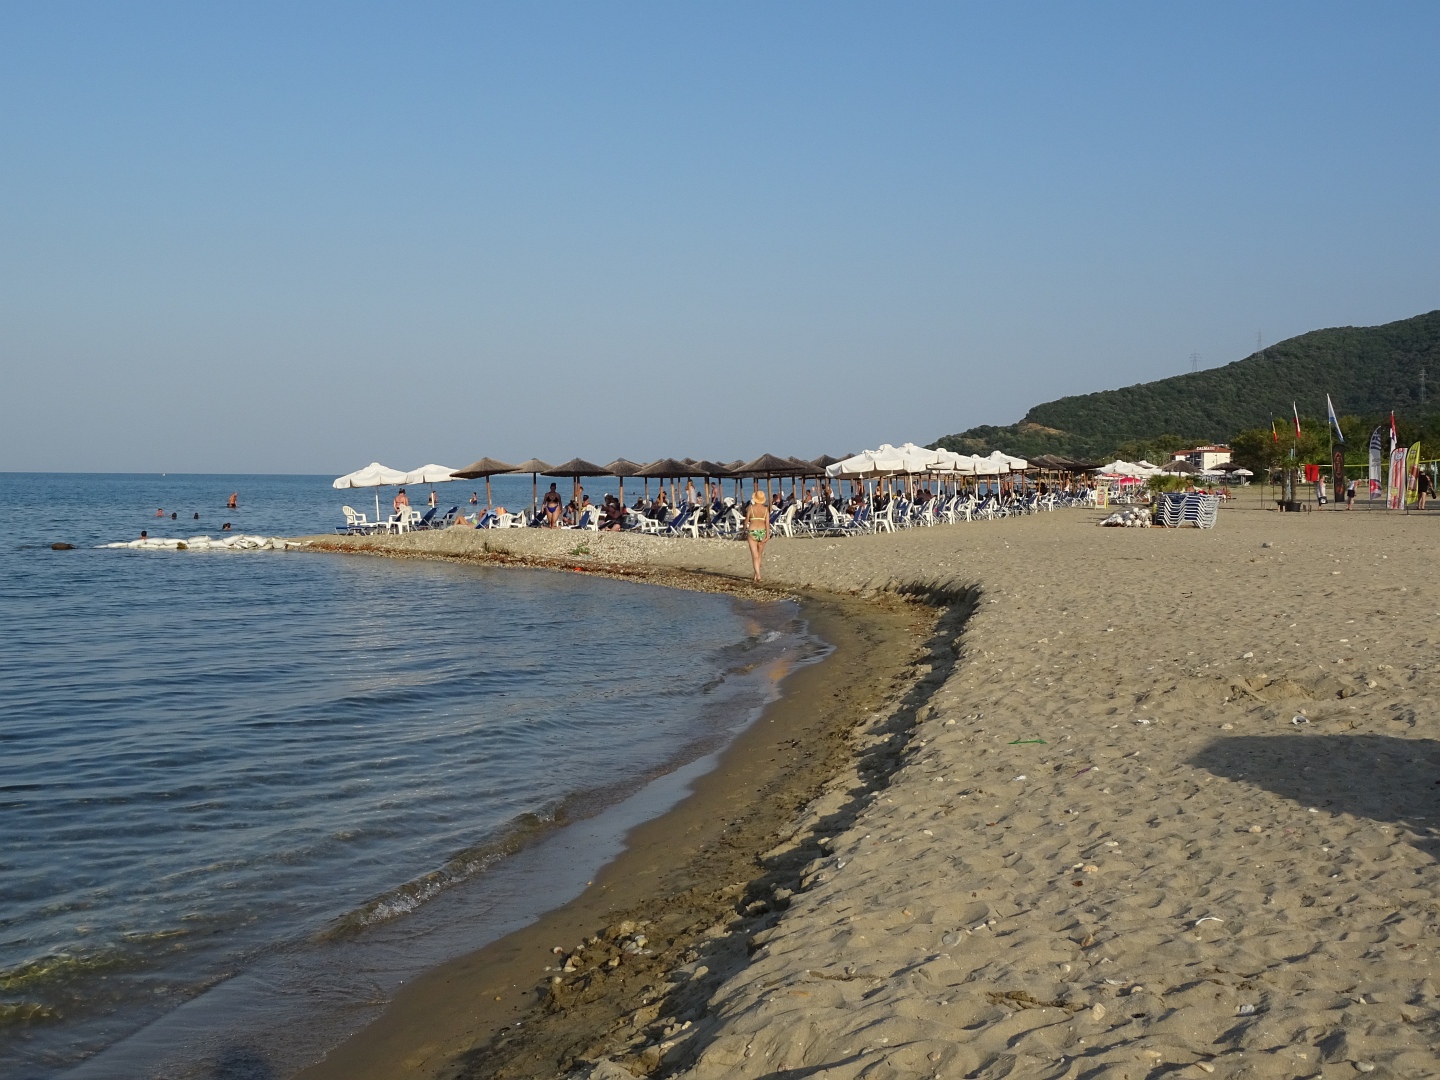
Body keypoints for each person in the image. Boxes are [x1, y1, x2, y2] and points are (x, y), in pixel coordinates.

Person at [745, 491, 770, 582]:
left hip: (752, 531)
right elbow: (767, 523)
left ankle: (758, 575)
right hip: (762, 531)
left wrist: (744, 529)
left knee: (754, 555)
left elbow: (746, 520)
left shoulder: (751, 508)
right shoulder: (765, 509)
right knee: (759, 555)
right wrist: (768, 535)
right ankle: (756, 575)